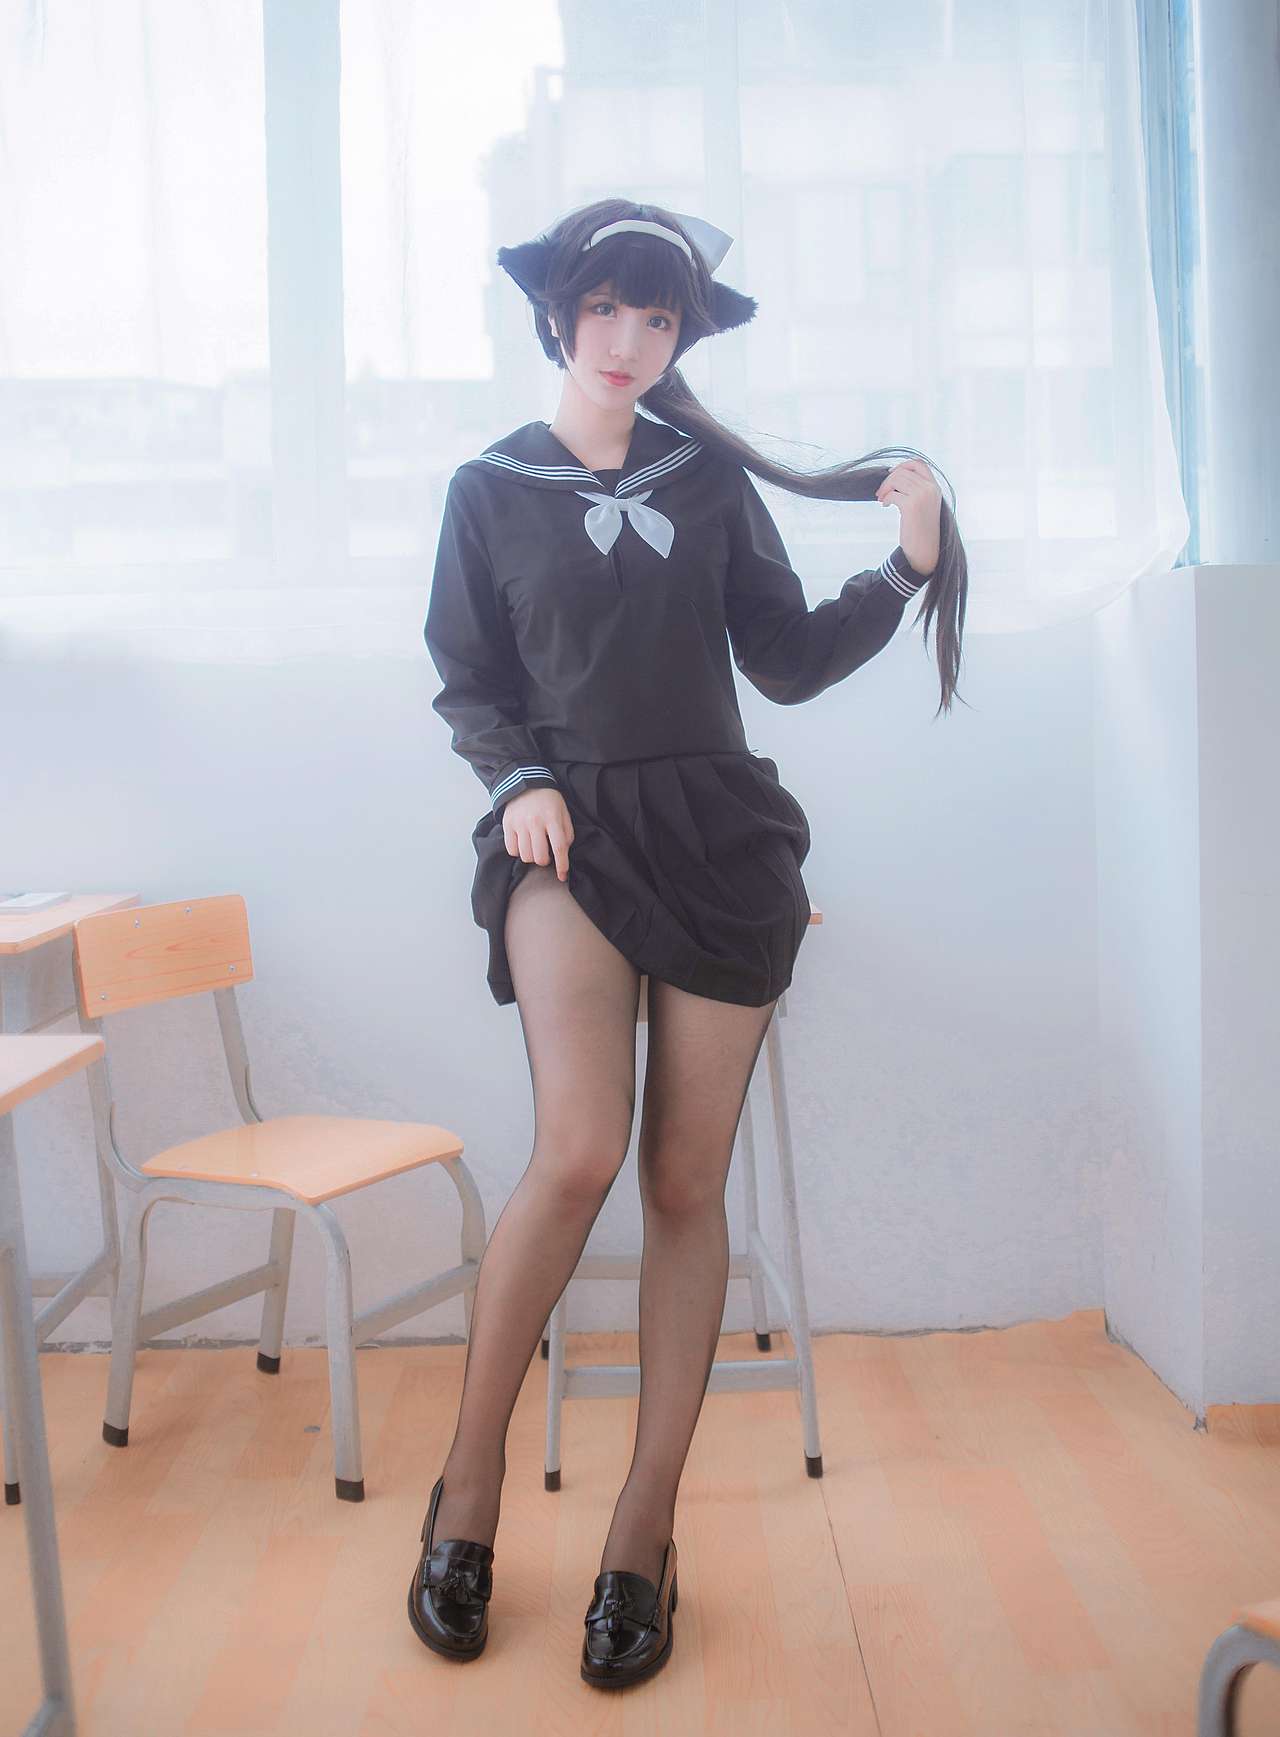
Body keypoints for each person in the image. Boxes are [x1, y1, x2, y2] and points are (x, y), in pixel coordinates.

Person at [411, 198, 969, 1689]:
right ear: (557, 316)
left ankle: (642, 1530)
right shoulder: (488, 487)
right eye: (604, 309)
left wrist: (905, 569)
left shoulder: (707, 477)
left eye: (656, 319)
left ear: (680, 336)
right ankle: (465, 1489)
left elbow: (782, 659)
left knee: (681, 1179)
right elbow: (468, 674)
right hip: (564, 836)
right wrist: (517, 782)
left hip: (717, 837)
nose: (627, 341)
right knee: (579, 1149)